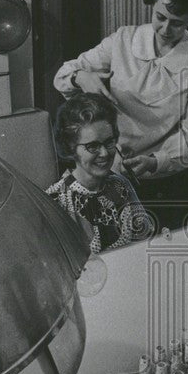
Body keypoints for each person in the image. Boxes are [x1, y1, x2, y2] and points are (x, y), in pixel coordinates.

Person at [54, 0, 188, 232]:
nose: (165, 30)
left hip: (169, 178)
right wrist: (82, 77)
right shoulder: (122, 41)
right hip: (111, 172)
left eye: (177, 23)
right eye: (160, 17)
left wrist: (156, 162)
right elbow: (63, 75)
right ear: (152, 6)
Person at [47, 94, 151, 254]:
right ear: (70, 147)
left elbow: (144, 240)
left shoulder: (120, 184)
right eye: (93, 146)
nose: (104, 153)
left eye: (109, 142)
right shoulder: (55, 201)